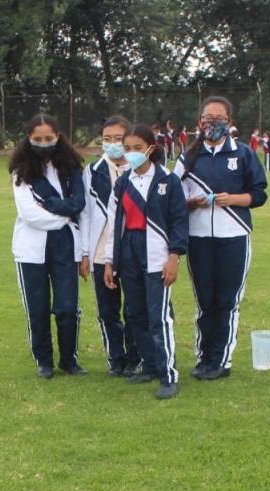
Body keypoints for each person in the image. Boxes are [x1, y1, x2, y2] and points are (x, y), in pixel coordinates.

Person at [173, 97, 268, 380]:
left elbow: (260, 194)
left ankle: (221, 360)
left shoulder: (242, 154)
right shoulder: (187, 157)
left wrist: (234, 199)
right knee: (205, 301)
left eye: (218, 118)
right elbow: (172, 198)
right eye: (206, 118)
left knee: (227, 301)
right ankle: (204, 357)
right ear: (199, 121)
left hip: (234, 237)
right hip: (198, 238)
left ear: (229, 121)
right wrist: (192, 203)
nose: (211, 124)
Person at [103, 123, 188, 400]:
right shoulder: (123, 182)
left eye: (137, 148)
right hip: (129, 253)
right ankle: (149, 365)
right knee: (135, 314)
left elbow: (178, 222)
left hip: (156, 255)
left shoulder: (168, 180)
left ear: (151, 149)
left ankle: (168, 375)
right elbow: (115, 224)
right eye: (127, 149)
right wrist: (109, 262)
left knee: (158, 317)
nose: (131, 153)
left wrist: (173, 257)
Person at [9, 114, 88, 378]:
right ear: (28, 140)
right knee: (38, 308)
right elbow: (30, 214)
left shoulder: (71, 168)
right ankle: (44, 360)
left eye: (49, 138)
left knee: (67, 307)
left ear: (58, 137)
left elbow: (80, 204)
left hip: (66, 245)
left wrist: (54, 207)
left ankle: (69, 359)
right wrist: (65, 215)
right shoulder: (22, 172)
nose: (43, 143)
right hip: (31, 250)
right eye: (37, 139)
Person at [80, 115, 139, 377]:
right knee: (108, 310)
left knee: (134, 308)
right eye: (107, 139)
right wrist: (85, 253)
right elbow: (85, 214)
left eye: (118, 139)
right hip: (101, 252)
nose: (112, 144)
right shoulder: (92, 171)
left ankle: (135, 358)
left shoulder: (140, 168)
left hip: (132, 252)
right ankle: (116, 358)